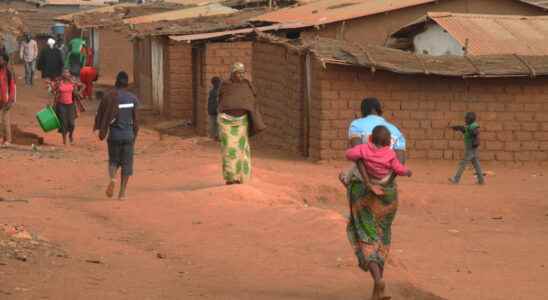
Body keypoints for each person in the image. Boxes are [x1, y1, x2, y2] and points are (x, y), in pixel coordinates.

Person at [344, 97, 407, 300]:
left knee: (364, 232)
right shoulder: (394, 131)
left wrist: (369, 182)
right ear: (380, 111)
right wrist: (386, 181)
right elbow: (400, 161)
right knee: (383, 234)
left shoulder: (356, 125)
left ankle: (378, 280)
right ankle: (377, 290)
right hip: (388, 192)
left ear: (363, 111)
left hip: (364, 189)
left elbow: (358, 157)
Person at [218, 62, 266, 185]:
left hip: (242, 122)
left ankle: (241, 177)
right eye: (238, 73)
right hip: (226, 122)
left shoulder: (247, 86)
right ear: (233, 73)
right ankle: (230, 178)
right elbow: (221, 102)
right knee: (229, 150)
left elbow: (252, 102)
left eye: (242, 73)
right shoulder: (226, 86)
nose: (240, 75)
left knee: (241, 150)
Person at [94, 71, 139, 200]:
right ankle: (122, 193)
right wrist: (134, 136)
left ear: (116, 82)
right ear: (127, 84)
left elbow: (101, 114)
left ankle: (113, 179)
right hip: (128, 135)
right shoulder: (133, 99)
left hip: (114, 135)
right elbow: (136, 121)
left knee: (113, 161)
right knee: (127, 164)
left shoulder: (109, 97)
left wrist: (101, 129)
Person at [449, 112, 485, 185]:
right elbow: (467, 133)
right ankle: (481, 180)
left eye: (466, 118)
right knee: (476, 164)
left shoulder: (474, 125)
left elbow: (475, 132)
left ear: (470, 119)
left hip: (470, 148)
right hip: (472, 148)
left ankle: (456, 179)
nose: (465, 120)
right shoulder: (470, 126)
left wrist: (465, 129)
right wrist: (460, 129)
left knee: (463, 164)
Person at [51, 69, 82, 145]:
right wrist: (52, 86)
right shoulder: (59, 83)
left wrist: (79, 92)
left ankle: (70, 135)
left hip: (70, 105)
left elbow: (77, 91)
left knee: (72, 123)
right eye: (64, 72)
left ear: (69, 74)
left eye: (67, 72)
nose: (66, 74)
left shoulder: (73, 83)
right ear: (62, 74)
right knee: (64, 123)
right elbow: (54, 92)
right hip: (61, 105)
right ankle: (64, 139)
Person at [0, 53, 15, 147]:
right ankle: (1, 138)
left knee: (5, 119)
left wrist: (11, 99)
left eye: (1, 59)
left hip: (6, 99)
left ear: (5, 61)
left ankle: (8, 140)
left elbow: (12, 87)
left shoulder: (8, 72)